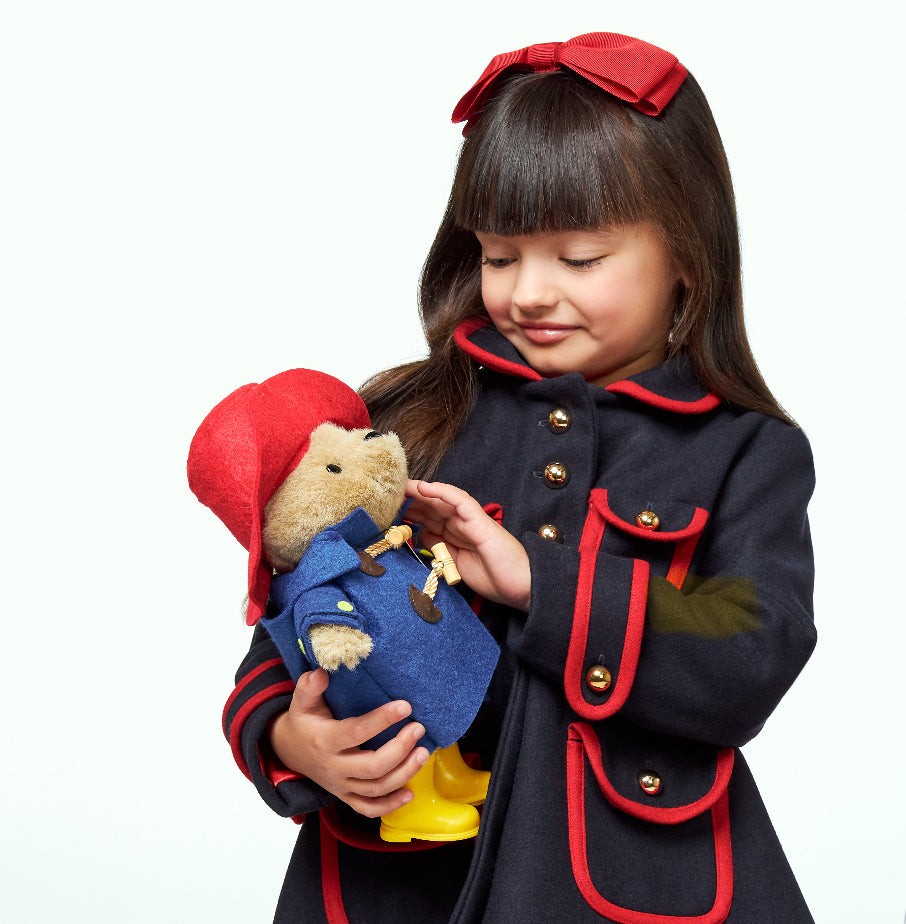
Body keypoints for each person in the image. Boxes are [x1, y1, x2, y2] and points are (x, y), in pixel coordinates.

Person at [222, 32, 817, 923]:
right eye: (500, 256)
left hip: (627, 886)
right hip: (398, 885)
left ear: (688, 254)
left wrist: (541, 583)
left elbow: (753, 653)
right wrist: (287, 736)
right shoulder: (402, 421)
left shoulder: (746, 450)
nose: (528, 292)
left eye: (579, 259)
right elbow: (288, 622)